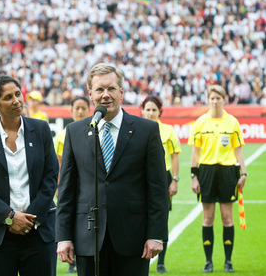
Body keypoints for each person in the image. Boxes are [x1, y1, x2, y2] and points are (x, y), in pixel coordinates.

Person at [56, 63, 169, 276]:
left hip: (133, 237)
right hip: (87, 238)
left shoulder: (147, 130)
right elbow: (67, 190)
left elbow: (157, 187)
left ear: (122, 92)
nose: (105, 95)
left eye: (111, 89)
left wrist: (156, 234)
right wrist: (63, 236)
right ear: (91, 94)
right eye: (99, 89)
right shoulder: (74, 132)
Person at [0, 76, 58, 276]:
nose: (16, 100)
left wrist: (29, 219)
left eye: (18, 94)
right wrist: (10, 217)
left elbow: (51, 176)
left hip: (38, 231)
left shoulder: (41, 129)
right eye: (8, 97)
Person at [188, 85, 247, 273]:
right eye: (211, 98)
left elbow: (238, 150)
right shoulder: (199, 123)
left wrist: (243, 173)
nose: (215, 101)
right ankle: (208, 261)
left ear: (225, 99)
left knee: (227, 218)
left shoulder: (233, 123)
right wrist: (194, 177)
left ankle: (228, 261)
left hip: (228, 172)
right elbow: (195, 153)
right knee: (208, 218)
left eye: (218, 98)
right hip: (206, 172)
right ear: (208, 99)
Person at [141, 95, 181, 274]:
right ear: (142, 110)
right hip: (140, 177)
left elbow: (175, 156)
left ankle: (161, 262)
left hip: (162, 177)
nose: (150, 113)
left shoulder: (168, 131)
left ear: (160, 112)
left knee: (161, 218)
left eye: (153, 110)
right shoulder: (135, 129)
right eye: (147, 109)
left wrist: (175, 180)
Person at [54, 96, 90, 273]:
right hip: (70, 187)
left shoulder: (96, 130)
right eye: (77, 108)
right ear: (71, 111)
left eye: (84, 108)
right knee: (71, 220)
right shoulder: (64, 135)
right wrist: (59, 186)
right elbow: (61, 165)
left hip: (87, 187)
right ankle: (72, 260)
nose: (80, 111)